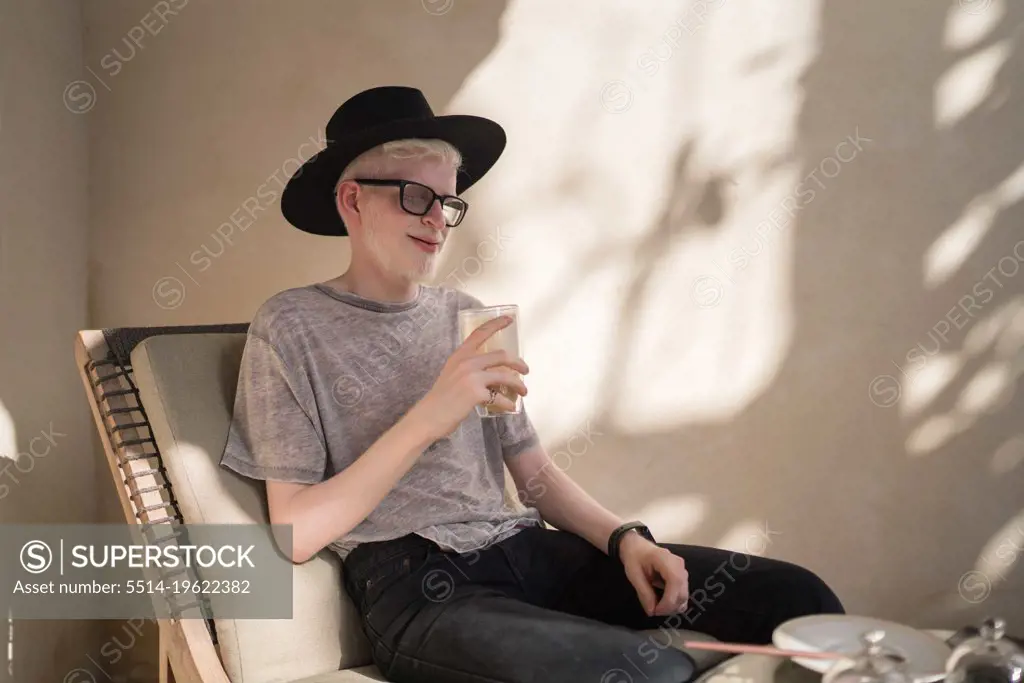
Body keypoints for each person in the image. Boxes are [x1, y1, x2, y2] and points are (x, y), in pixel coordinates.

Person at [219, 85, 844, 683]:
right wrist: (431, 415)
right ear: (352, 200)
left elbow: (531, 471)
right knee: (642, 669)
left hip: (530, 552)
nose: (438, 220)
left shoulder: (466, 314)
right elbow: (296, 533)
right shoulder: (290, 325)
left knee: (798, 599)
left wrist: (625, 537)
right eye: (416, 196)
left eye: (449, 202)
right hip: (417, 585)